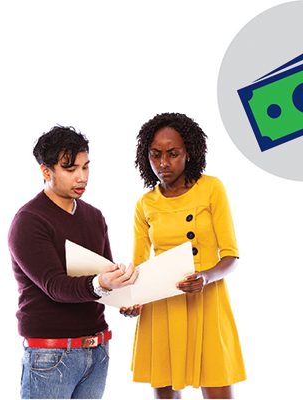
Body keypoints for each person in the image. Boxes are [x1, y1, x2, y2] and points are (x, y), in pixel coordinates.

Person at [120, 113, 246, 399]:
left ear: (189, 152)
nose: (163, 163)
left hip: (206, 298)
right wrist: (132, 299)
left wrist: (205, 276)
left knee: (217, 387)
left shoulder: (212, 189)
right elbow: (139, 267)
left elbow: (231, 255)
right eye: (155, 155)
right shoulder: (145, 204)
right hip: (162, 304)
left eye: (173, 154)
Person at [8, 125, 139, 399]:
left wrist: (125, 297)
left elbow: (104, 276)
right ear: (46, 171)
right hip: (50, 355)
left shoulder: (94, 217)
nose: (82, 177)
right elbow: (55, 286)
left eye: (86, 167)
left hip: (97, 352)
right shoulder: (29, 221)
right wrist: (102, 283)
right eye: (70, 169)